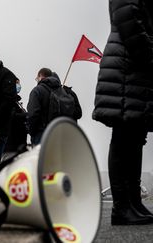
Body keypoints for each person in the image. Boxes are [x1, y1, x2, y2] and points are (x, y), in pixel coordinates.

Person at [93, 0, 153, 225]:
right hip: (128, 68)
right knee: (123, 138)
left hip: (134, 70)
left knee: (135, 138)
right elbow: (132, 28)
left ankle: (133, 201)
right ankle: (122, 206)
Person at [27, 68, 82, 145]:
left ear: (40, 76)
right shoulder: (65, 92)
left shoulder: (37, 90)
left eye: (37, 78)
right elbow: (77, 113)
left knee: (43, 157)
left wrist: (31, 132)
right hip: (62, 135)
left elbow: (33, 114)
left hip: (42, 134)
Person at [4, 79, 27, 156]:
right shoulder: (7, 100)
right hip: (10, 145)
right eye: (17, 83)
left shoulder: (16, 102)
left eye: (19, 83)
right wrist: (25, 115)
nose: (18, 86)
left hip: (19, 145)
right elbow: (11, 116)